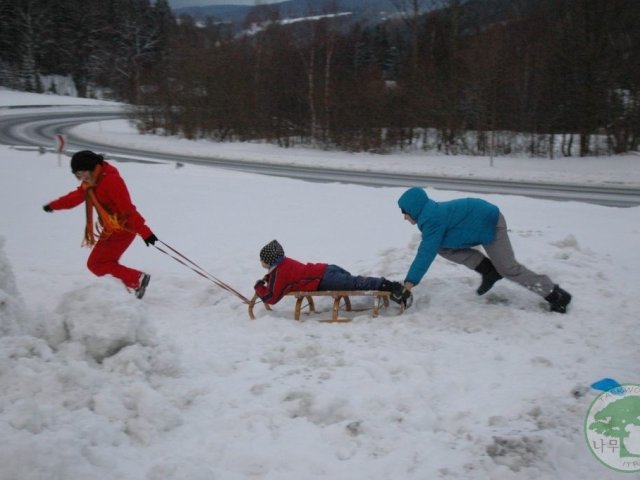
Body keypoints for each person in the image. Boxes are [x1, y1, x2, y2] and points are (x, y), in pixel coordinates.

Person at [393, 187, 572, 313]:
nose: (404, 217)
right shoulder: (430, 216)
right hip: (474, 225)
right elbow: (430, 248)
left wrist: (408, 285)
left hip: (490, 223)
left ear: (414, 209)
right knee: (442, 247)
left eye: (404, 212)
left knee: (508, 268)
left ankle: (555, 294)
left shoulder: (432, 220)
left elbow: (425, 255)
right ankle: (489, 271)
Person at [43, 150, 158, 299]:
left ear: (91, 167)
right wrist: (54, 205)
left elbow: (128, 210)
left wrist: (145, 232)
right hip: (112, 228)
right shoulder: (91, 183)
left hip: (123, 228)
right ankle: (128, 286)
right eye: (77, 175)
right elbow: (75, 197)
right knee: (104, 263)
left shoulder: (111, 181)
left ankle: (136, 280)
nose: (81, 178)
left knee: (96, 264)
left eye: (82, 173)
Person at [253, 239, 408, 306]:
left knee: (355, 284)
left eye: (262, 260)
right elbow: (286, 278)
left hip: (324, 279)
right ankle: (383, 286)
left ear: (270, 261)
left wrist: (259, 285)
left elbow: (271, 298)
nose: (261, 262)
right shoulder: (284, 263)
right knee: (354, 281)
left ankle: (390, 286)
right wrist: (269, 278)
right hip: (327, 269)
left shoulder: (279, 272)